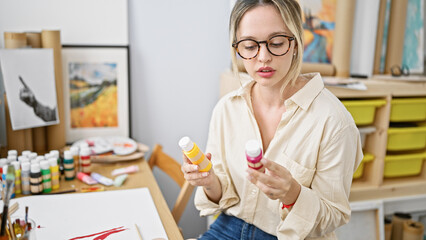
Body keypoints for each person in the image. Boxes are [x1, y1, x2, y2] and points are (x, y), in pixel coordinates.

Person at [181, 0, 363, 239]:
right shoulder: (227, 109)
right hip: (229, 226)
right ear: (238, 48)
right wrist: (209, 181)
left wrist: (293, 194)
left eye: (276, 43)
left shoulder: (335, 123)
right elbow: (221, 194)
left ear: (296, 43)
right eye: (249, 46)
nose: (263, 57)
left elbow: (334, 215)